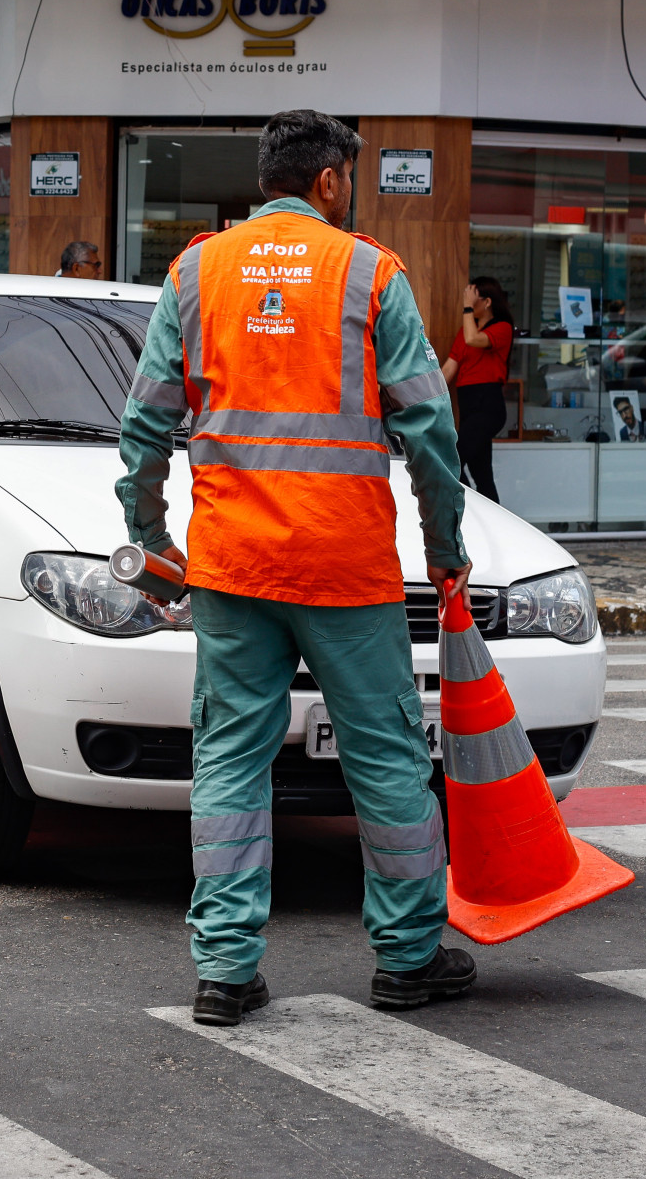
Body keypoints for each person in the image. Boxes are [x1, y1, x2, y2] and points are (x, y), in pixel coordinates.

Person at [116, 109, 474, 1027]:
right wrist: (445, 553)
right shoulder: (369, 273)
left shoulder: (196, 272)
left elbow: (144, 425)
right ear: (328, 182)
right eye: (348, 176)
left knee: (230, 760)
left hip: (232, 568)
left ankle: (226, 972)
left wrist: (154, 541)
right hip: (344, 568)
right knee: (387, 759)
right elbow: (432, 430)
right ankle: (405, 959)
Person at [439, 277, 513, 501]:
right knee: (483, 476)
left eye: (472, 298)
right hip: (469, 406)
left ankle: (470, 506)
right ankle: (491, 521)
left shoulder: (502, 328)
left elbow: (474, 339)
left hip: (488, 406)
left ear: (487, 302)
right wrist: (427, 396)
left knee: (453, 460)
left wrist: (467, 306)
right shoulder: (464, 332)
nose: (467, 302)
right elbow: (449, 369)